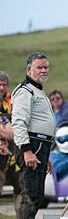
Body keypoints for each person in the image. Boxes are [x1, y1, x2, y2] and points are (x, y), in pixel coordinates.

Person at [10, 52, 57, 219]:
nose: (44, 70)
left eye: (46, 67)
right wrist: (27, 151)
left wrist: (46, 157)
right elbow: (19, 122)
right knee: (31, 193)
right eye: (40, 67)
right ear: (29, 69)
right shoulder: (25, 91)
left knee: (37, 193)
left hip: (40, 147)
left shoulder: (38, 91)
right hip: (31, 145)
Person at [1, 70, 21, 200]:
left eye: (4, 85)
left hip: (15, 151)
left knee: (19, 186)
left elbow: (17, 128)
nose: (1, 88)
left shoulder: (12, 100)